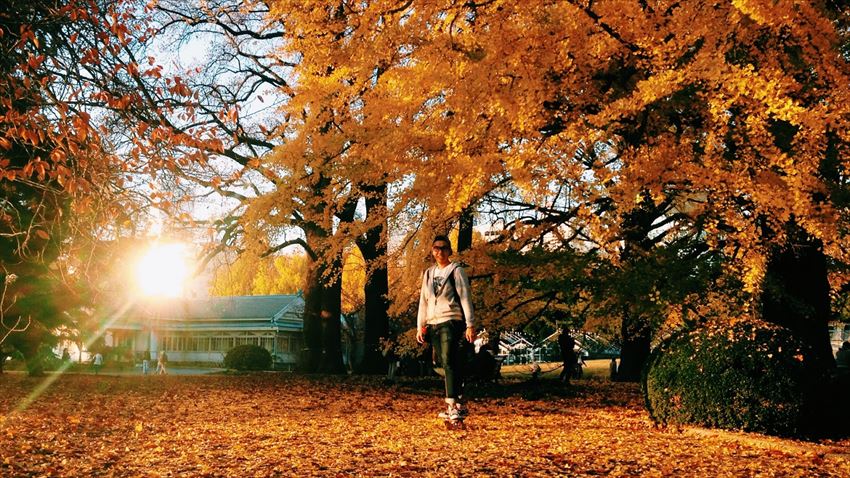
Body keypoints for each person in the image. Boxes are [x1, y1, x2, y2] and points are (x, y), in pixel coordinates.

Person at [416, 234, 475, 422]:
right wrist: (420, 325)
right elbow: (423, 302)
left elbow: (465, 297)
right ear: (432, 251)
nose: (439, 251)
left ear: (449, 251)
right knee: (444, 362)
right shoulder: (428, 273)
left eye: (443, 248)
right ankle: (459, 402)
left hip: (451, 319)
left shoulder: (456, 270)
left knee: (449, 359)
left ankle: (451, 404)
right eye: (436, 248)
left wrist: (470, 324)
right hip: (433, 322)